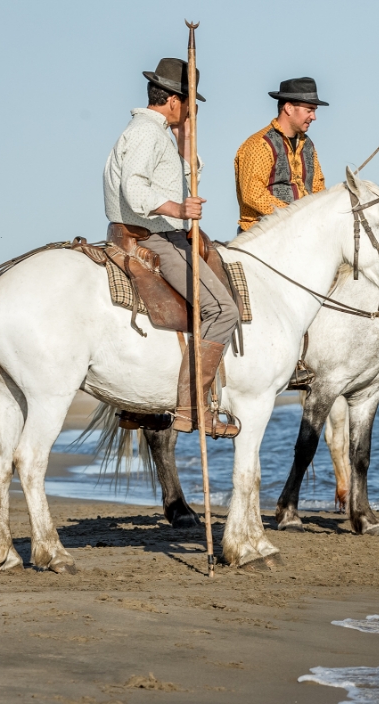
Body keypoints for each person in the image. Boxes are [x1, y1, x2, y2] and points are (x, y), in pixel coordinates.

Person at [104, 57, 239, 437]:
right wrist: (177, 209)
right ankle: (191, 408)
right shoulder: (147, 133)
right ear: (174, 100)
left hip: (152, 230)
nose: (192, 110)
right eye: (190, 102)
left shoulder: (156, 132)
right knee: (223, 310)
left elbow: (180, 172)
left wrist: (185, 134)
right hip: (157, 237)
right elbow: (135, 188)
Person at [233, 77, 329, 389]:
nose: (313, 115)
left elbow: (318, 189)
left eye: (314, 110)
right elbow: (251, 194)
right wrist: (291, 215)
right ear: (288, 107)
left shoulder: (309, 147)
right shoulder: (257, 145)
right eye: (309, 109)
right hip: (261, 240)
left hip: (302, 243)